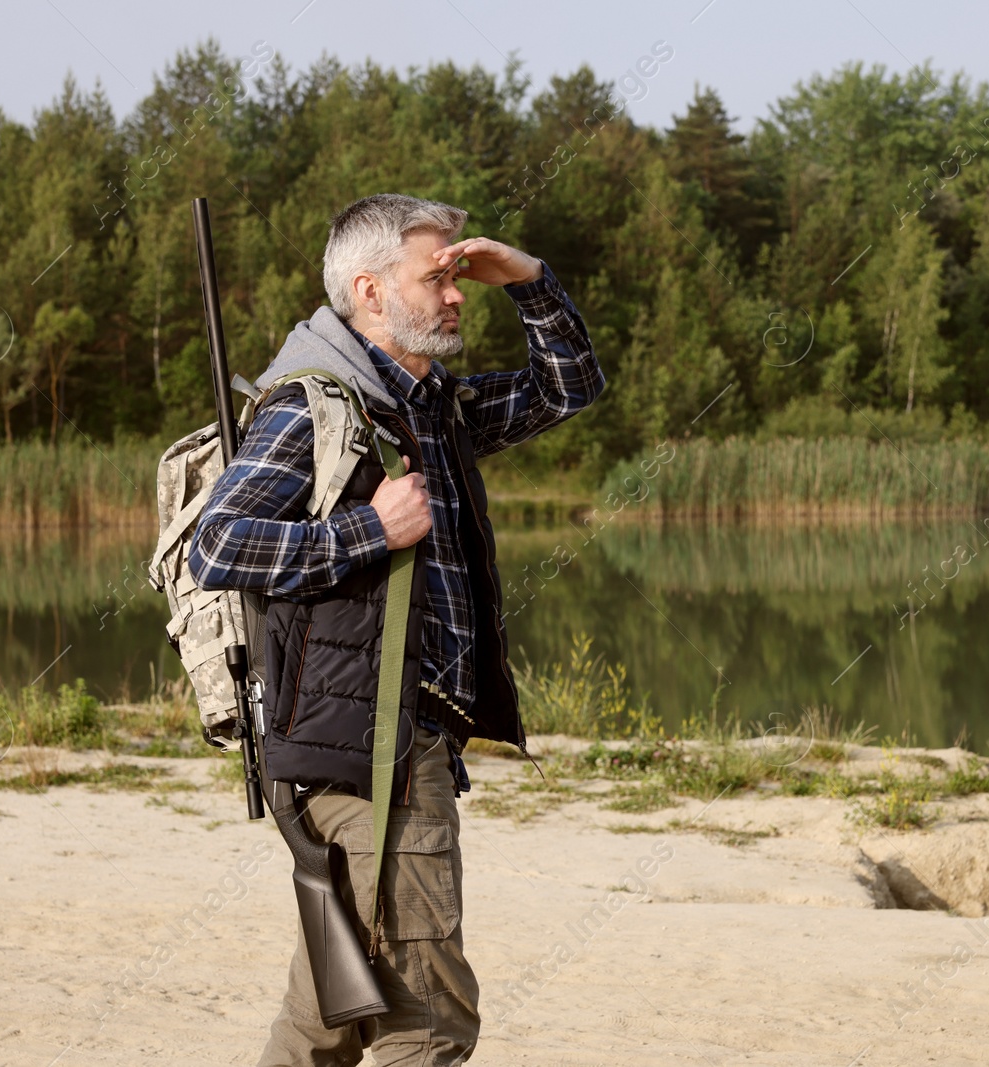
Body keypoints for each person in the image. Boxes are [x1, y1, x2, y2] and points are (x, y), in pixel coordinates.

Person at [188, 192, 605, 1066]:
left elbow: (569, 387)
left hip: (390, 745)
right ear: (370, 291)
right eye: (437, 277)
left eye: (458, 277)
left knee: (327, 1020)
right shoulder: (315, 406)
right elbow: (218, 541)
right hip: (371, 748)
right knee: (427, 1021)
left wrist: (528, 281)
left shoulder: (426, 406)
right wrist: (371, 530)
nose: (457, 294)